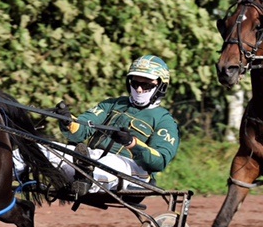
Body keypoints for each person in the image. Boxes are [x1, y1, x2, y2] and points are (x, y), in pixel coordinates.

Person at [14, 55, 180, 196]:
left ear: (160, 86)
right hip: (91, 157)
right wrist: (68, 121)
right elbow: (81, 131)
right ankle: (5, 174)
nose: (139, 88)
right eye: (135, 82)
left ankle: (87, 177)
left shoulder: (164, 120)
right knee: (35, 147)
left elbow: (160, 160)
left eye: (146, 85)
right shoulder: (111, 104)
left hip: (133, 171)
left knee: (109, 162)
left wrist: (132, 143)